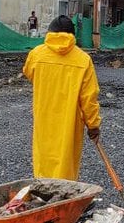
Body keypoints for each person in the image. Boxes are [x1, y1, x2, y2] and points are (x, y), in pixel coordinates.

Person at [22, 14, 101, 180]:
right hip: (70, 122)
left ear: (50, 33)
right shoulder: (83, 60)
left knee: (43, 160)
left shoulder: (36, 55)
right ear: (72, 36)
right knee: (66, 162)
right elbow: (89, 98)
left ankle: (43, 193)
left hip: (44, 119)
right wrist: (93, 125)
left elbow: (29, 73)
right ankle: (65, 197)